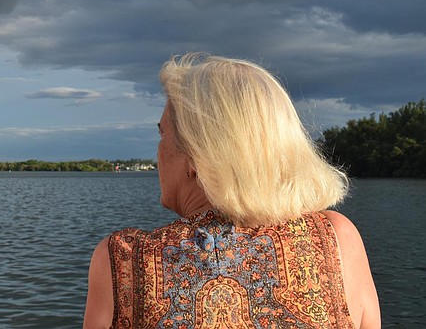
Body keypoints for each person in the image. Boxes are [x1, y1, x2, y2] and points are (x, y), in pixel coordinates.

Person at [83, 53, 380, 329]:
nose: (158, 151)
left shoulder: (124, 260)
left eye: (163, 134)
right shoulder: (336, 238)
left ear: (196, 156)